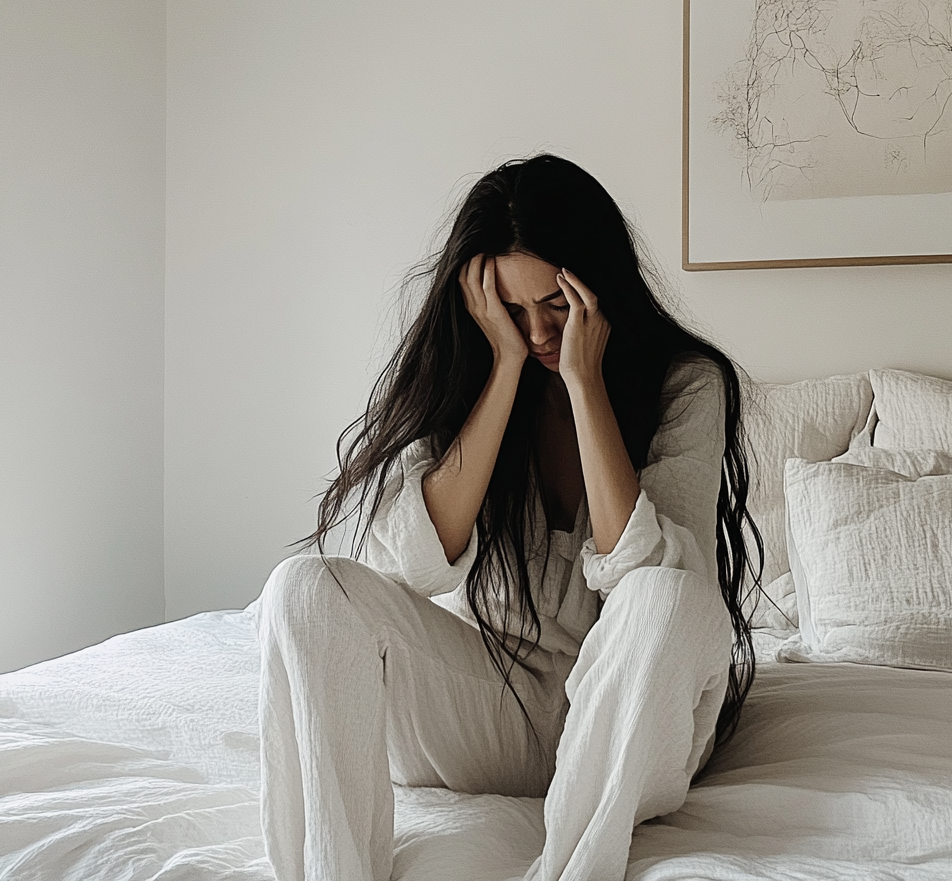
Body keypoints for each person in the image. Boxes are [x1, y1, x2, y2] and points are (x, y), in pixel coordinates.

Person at [256, 154, 762, 881]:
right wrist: (500, 371)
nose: (538, 333)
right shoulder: (466, 379)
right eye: (512, 312)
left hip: (631, 722)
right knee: (304, 588)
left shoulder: (687, 383)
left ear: (600, 288)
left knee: (667, 595)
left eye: (556, 306)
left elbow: (646, 579)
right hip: (487, 707)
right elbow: (409, 563)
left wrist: (586, 385)